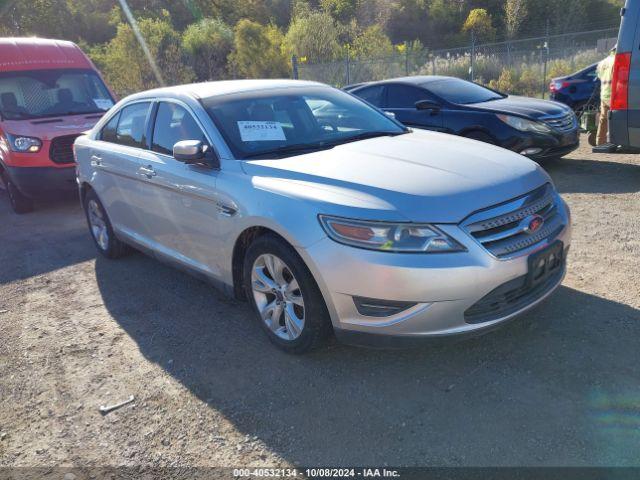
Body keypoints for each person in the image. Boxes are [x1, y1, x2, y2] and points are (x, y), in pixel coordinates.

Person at [595, 45, 616, 149]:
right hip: (614, 94)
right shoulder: (618, 60)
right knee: (616, 118)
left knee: (603, 119)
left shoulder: (603, 62)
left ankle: (600, 141)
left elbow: (598, 75)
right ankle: (616, 141)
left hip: (604, 94)